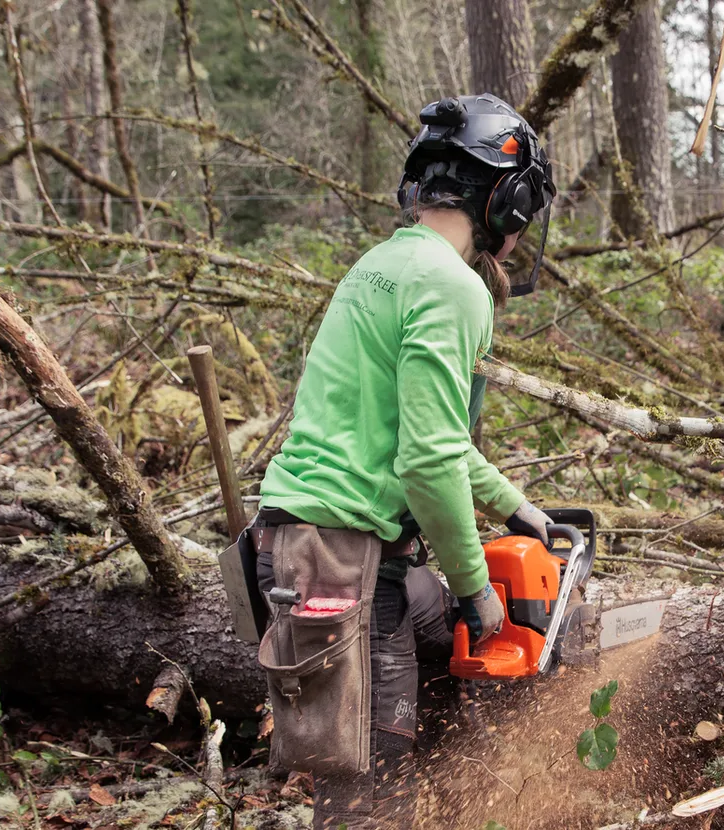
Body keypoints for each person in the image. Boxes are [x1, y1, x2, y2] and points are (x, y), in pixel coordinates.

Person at [254, 92, 556, 829]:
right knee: (368, 794)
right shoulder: (454, 286)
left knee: (438, 634)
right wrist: (476, 585)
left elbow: (425, 439)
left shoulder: (382, 264)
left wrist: (514, 507)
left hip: (302, 543)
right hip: (340, 559)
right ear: (507, 203)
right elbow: (426, 461)